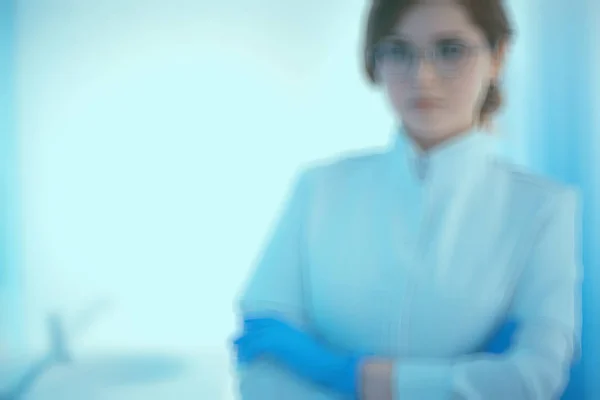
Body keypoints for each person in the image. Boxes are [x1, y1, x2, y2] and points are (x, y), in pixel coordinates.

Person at [230, 0, 582, 399]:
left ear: (498, 56)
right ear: (374, 62)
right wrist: (457, 381)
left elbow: (536, 376)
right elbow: (261, 362)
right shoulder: (319, 189)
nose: (422, 76)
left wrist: (357, 377)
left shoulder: (543, 207)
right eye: (398, 50)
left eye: (450, 50)